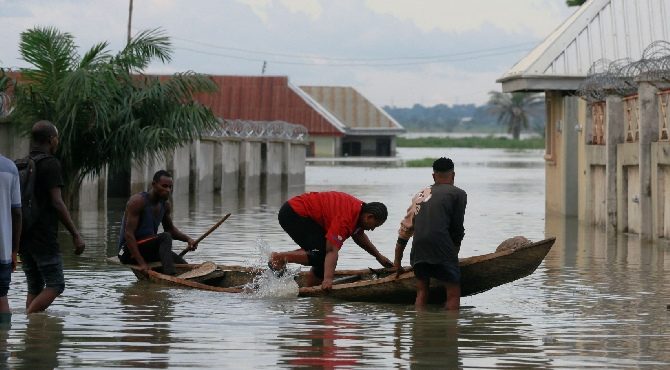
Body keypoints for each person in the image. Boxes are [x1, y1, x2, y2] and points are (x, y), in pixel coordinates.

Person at [18, 120, 86, 314]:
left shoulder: (22, 163)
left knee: (35, 285)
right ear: (51, 139)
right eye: (56, 138)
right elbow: (57, 202)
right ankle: (30, 317)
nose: (58, 141)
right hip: (43, 235)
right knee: (56, 284)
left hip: (23, 233)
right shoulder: (50, 163)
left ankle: (33, 332)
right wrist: (75, 234)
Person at [269, 191, 393, 291]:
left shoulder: (359, 212)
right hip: (294, 213)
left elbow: (358, 236)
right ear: (369, 216)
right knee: (322, 255)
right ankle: (279, 258)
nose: (372, 229)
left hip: (304, 215)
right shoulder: (346, 218)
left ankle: (310, 289)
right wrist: (328, 280)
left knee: (323, 259)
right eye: (374, 225)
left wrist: (379, 257)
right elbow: (331, 250)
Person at [393, 157, 467, 310]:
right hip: (442, 248)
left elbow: (405, 230)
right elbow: (457, 228)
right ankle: (452, 329)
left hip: (418, 250)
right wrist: (454, 253)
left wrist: (397, 263)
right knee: (453, 292)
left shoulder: (420, 195)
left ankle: (419, 324)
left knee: (421, 291)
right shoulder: (458, 194)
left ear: (433, 176)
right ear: (453, 175)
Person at [118, 170, 197, 276]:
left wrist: (188, 240)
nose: (168, 190)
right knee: (165, 237)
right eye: (164, 186)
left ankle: (175, 276)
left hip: (147, 250)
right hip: (127, 252)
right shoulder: (137, 201)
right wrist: (142, 264)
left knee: (185, 267)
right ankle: (171, 275)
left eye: (170, 187)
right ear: (154, 185)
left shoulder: (165, 205)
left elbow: (170, 230)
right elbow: (129, 234)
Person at [0, 153, 21, 314]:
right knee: (2, 298)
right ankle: (4, 338)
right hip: (3, 251)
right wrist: (14, 251)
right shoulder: (9, 167)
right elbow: (17, 213)